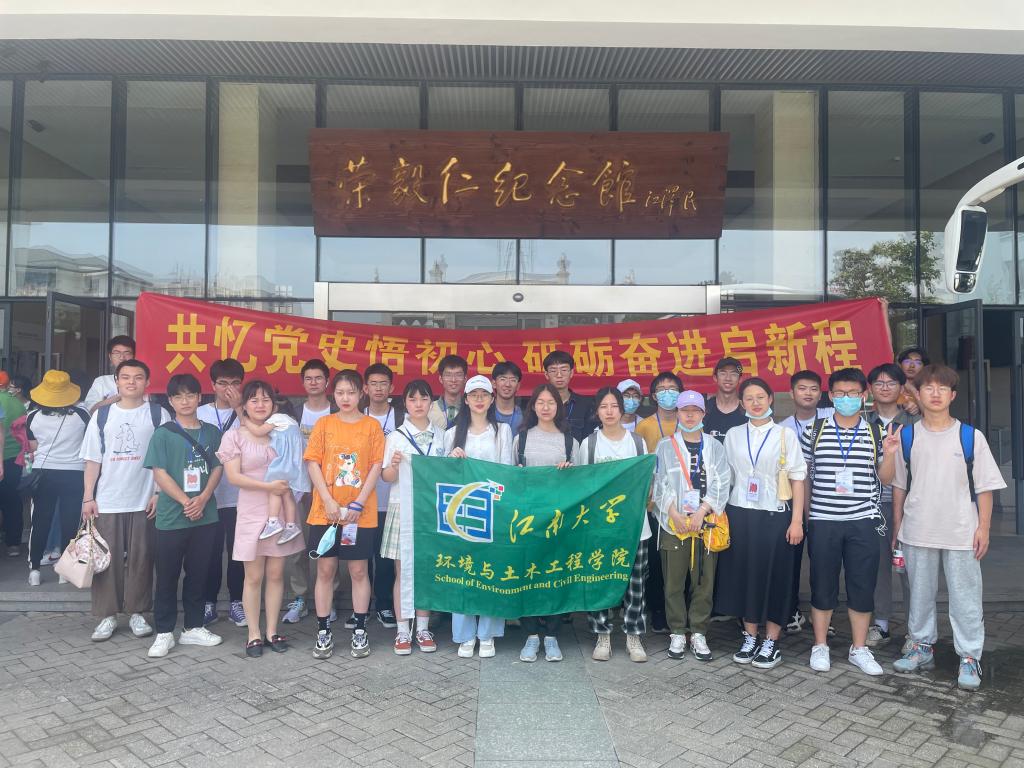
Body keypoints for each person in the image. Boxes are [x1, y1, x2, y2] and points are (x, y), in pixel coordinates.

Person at [892, 364, 1006, 691]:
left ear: (953, 395)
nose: (936, 394)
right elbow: (899, 487)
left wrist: (984, 528)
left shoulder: (970, 436)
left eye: (943, 388)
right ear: (917, 394)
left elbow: (985, 487)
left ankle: (969, 656)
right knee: (919, 595)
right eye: (929, 387)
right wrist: (898, 529)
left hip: (961, 530)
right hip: (918, 529)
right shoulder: (908, 436)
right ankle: (920, 646)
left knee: (966, 597)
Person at [802, 367, 899, 677]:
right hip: (823, 520)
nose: (847, 398)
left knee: (862, 585)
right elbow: (803, 477)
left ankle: (859, 648)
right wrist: (807, 515)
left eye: (853, 393)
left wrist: (890, 454)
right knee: (822, 583)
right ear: (831, 396)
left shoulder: (876, 432)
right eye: (841, 394)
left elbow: (886, 478)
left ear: (864, 396)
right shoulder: (814, 430)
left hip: (863, 520)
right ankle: (820, 645)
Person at [715, 377, 806, 670]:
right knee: (745, 576)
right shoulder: (733, 435)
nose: (755, 403)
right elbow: (725, 476)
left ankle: (772, 641)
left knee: (776, 576)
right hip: (740, 513)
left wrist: (797, 521)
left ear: (770, 399)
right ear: (741, 403)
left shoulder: (785, 435)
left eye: (760, 397)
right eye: (749, 398)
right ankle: (750, 636)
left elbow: (798, 478)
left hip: (775, 514)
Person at [81, 359, 172, 642]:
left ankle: (137, 612)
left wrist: (159, 493)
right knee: (105, 560)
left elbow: (165, 459)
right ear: (117, 382)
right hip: (108, 499)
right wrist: (88, 497)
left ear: (148, 382)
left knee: (142, 559)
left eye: (138, 377)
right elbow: (93, 459)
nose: (131, 382)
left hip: (144, 499)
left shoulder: (158, 414)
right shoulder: (102, 415)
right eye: (126, 377)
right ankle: (107, 615)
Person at [217, 381, 307, 658]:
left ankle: (272, 630)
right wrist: (269, 487)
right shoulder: (234, 436)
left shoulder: (282, 431)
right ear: (244, 405)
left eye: (266, 399)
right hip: (251, 511)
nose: (260, 404)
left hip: (280, 513)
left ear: (274, 404)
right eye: (254, 400)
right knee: (253, 576)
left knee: (277, 574)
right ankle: (253, 633)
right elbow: (234, 477)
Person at [304, 370, 385, 660]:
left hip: (359, 515)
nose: (346, 398)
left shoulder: (372, 426)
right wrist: (327, 500)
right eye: (340, 393)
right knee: (325, 571)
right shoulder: (324, 424)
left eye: (351, 392)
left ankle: (360, 629)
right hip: (325, 513)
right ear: (333, 394)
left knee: (358, 571)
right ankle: (323, 630)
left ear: (362, 393)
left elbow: (376, 466)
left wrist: (358, 504)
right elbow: (312, 463)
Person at [143, 374, 225, 658]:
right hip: (171, 516)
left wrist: (203, 498)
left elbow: (218, 467)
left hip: (206, 515)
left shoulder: (212, 432)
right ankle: (164, 632)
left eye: (190, 395)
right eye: (178, 396)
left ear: (200, 398)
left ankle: (193, 627)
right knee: (167, 575)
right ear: (170, 401)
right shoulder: (163, 433)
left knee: (199, 573)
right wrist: (186, 501)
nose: (185, 401)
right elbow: (159, 472)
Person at [653, 390, 731, 663]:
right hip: (673, 524)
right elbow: (658, 481)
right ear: (677, 413)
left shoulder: (715, 446)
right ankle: (677, 631)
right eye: (684, 410)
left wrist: (702, 510)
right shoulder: (665, 445)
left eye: (695, 410)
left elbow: (723, 480)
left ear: (703, 414)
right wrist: (672, 512)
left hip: (705, 523)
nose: (689, 415)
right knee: (673, 581)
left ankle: (698, 631)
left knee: (704, 581)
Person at [444, 375, 514, 658]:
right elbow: (443, 478)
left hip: (493, 512)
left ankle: (487, 634)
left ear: (492, 398)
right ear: (466, 399)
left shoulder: (503, 432)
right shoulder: (451, 434)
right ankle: (464, 634)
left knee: (490, 572)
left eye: (484, 394)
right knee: (464, 572)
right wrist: (452, 461)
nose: (479, 399)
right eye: (474, 395)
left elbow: (506, 471)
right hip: (461, 515)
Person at [580, 386, 650, 663]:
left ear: (622, 409)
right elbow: (582, 484)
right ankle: (602, 634)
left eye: (614, 406)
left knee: (635, 582)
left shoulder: (638, 442)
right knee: (600, 579)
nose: (609, 412)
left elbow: (647, 483)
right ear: (597, 412)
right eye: (603, 406)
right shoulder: (590, 444)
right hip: (600, 526)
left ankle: (634, 634)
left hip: (634, 525)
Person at [512, 383, 580, 663]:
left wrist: (569, 473)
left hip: (558, 520)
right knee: (527, 575)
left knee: (554, 575)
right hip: (527, 520)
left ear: (558, 406)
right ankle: (530, 635)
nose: (545, 407)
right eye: (540, 402)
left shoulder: (570, 442)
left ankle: (552, 635)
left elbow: (581, 485)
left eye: (551, 402)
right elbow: (510, 480)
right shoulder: (521, 439)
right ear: (533, 406)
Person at [381, 379, 447, 655]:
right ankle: (401, 629)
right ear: (405, 403)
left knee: (425, 570)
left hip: (430, 509)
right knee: (402, 571)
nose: (418, 404)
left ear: (431, 402)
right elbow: (387, 477)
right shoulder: (395, 436)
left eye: (423, 398)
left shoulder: (442, 435)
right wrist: (394, 466)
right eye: (412, 399)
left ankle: (422, 628)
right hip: (402, 506)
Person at [864, 363, 918, 649]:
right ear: (870, 388)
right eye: (879, 383)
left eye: (891, 383)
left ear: (901, 387)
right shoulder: (863, 422)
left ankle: (915, 630)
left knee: (911, 569)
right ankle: (881, 624)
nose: (885, 388)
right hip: (873, 504)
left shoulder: (915, 421)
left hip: (910, 504)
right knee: (878, 567)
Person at [283, 359, 336, 625]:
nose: (314, 382)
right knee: (298, 545)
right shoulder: (292, 412)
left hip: (331, 489)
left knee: (329, 545)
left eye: (318, 378)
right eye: (308, 378)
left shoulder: (337, 410)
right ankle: (300, 597)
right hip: (298, 488)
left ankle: (330, 599)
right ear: (302, 382)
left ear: (327, 381)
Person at [25, 371, 90, 585]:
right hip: (74, 473)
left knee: (40, 521)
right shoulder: (82, 415)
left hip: (43, 473)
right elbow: (88, 443)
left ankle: (35, 571)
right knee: (70, 522)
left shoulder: (32, 416)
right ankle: (64, 571)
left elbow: (33, 447)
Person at [784, 370, 835, 634]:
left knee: (822, 563)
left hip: (826, 504)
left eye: (814, 389)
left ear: (821, 393)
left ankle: (822, 615)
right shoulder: (783, 428)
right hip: (792, 505)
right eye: (802, 388)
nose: (808, 393)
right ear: (791, 393)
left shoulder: (831, 416)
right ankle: (791, 610)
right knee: (790, 561)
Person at [197, 359, 247, 627]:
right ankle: (209, 602)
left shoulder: (248, 411)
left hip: (241, 495)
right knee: (210, 552)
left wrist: (239, 407)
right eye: (223, 383)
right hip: (209, 495)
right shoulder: (199, 412)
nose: (229, 389)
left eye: (235, 383)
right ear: (212, 385)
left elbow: (256, 437)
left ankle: (238, 602)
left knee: (238, 552)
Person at [633, 371, 683, 634]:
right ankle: (658, 611)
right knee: (655, 560)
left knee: (680, 561)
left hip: (684, 503)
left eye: (672, 388)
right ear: (653, 396)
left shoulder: (688, 420)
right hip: (653, 503)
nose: (667, 393)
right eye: (662, 389)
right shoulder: (645, 426)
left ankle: (680, 610)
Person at [363, 363, 400, 630]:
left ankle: (384, 604)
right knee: (361, 556)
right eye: (373, 384)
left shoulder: (401, 417)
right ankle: (361, 607)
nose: (378, 388)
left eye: (383, 383)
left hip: (392, 497)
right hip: (361, 500)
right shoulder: (356, 415)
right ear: (365, 388)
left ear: (391, 388)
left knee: (386, 557)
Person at [244, 403, 309, 544]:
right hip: (294, 465)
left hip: (284, 463)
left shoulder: (278, 417)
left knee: (274, 489)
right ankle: (291, 526)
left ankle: (273, 522)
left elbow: (258, 432)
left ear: (275, 408)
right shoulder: (292, 421)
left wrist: (245, 420)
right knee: (287, 494)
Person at [542, 350, 594, 442]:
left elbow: (589, 439)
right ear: (546, 374)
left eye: (564, 370)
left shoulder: (585, 405)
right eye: (553, 371)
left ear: (571, 373)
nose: (559, 375)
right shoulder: (539, 405)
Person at [0, 381, 27, 556]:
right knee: (12, 500)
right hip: (13, 458)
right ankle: (13, 544)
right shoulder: (17, 402)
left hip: (4, 457)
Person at [83, 335, 137, 413]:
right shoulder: (101, 381)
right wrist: (115, 398)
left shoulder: (140, 381)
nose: (122, 357)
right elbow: (89, 411)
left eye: (127, 353)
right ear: (110, 357)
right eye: (117, 353)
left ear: (134, 356)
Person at [704, 357, 746, 443]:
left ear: (740, 379)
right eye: (723, 373)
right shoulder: (704, 410)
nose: (728, 378)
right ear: (715, 377)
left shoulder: (747, 410)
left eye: (734, 374)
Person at [428, 354, 468, 431]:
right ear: (441, 379)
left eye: (458, 375)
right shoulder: (428, 409)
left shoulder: (472, 409)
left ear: (465, 379)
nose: (453, 380)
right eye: (448, 375)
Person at [492, 361, 524, 436]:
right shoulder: (485, 412)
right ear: (494, 384)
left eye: (513, 380)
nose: (507, 384)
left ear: (518, 386)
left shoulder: (525, 415)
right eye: (503, 379)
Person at [896, 347, 929, 416]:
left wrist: (911, 389)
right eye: (907, 361)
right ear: (900, 365)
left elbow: (931, 417)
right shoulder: (891, 386)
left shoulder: (927, 389)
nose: (912, 366)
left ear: (924, 367)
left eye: (918, 363)